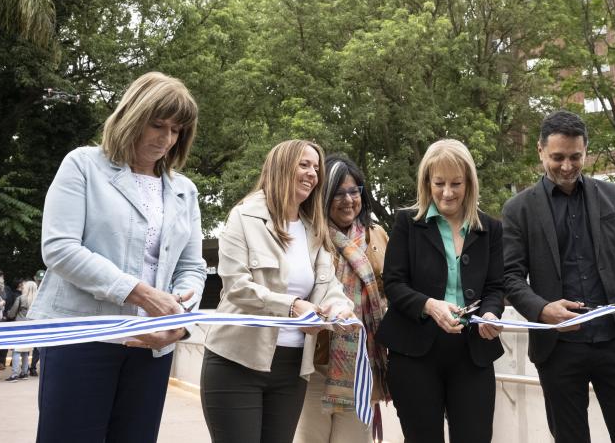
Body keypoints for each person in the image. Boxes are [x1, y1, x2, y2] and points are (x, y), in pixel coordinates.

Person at [29, 72, 207, 443]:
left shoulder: (185, 191)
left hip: (152, 346)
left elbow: (192, 267)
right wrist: (139, 292)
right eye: (157, 125)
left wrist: (180, 321)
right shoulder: (83, 164)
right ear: (131, 116)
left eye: (176, 130)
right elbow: (60, 248)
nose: (166, 139)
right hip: (81, 338)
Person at [502, 110, 615, 443]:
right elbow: (510, 276)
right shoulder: (517, 209)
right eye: (558, 157)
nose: (567, 166)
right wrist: (541, 309)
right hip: (558, 349)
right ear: (540, 151)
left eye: (575, 157)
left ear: (585, 151)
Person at [201, 139, 356, 443]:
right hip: (236, 362)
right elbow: (237, 287)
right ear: (281, 166)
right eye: (304, 164)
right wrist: (292, 306)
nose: (312, 173)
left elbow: (329, 287)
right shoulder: (243, 216)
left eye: (316, 167)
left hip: (292, 368)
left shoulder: (315, 228)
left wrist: (340, 307)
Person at [376, 139, 505, 443]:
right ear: (427, 183)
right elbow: (393, 283)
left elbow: (495, 287)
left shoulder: (490, 229)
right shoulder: (407, 223)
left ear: (469, 183)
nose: (447, 192)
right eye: (439, 183)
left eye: (456, 183)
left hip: (472, 354)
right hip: (414, 354)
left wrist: (490, 312)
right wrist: (430, 305)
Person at [295, 154, 391, 443]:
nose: (348, 200)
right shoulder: (310, 236)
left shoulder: (377, 236)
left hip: (362, 364)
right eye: (338, 193)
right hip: (316, 363)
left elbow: (390, 293)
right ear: (324, 196)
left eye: (354, 191)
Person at [5, 280, 38, 381]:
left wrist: (8, 313)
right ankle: (24, 373)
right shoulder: (38, 300)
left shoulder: (21, 298)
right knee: (25, 351)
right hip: (31, 327)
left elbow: (12, 314)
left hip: (20, 326)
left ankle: (14, 374)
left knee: (16, 351)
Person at [29, 270, 46, 377]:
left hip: (43, 321)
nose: (40, 282)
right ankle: (33, 367)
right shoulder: (33, 291)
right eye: (38, 280)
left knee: (41, 347)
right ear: (35, 278)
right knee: (37, 347)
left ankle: (34, 367)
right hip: (36, 321)